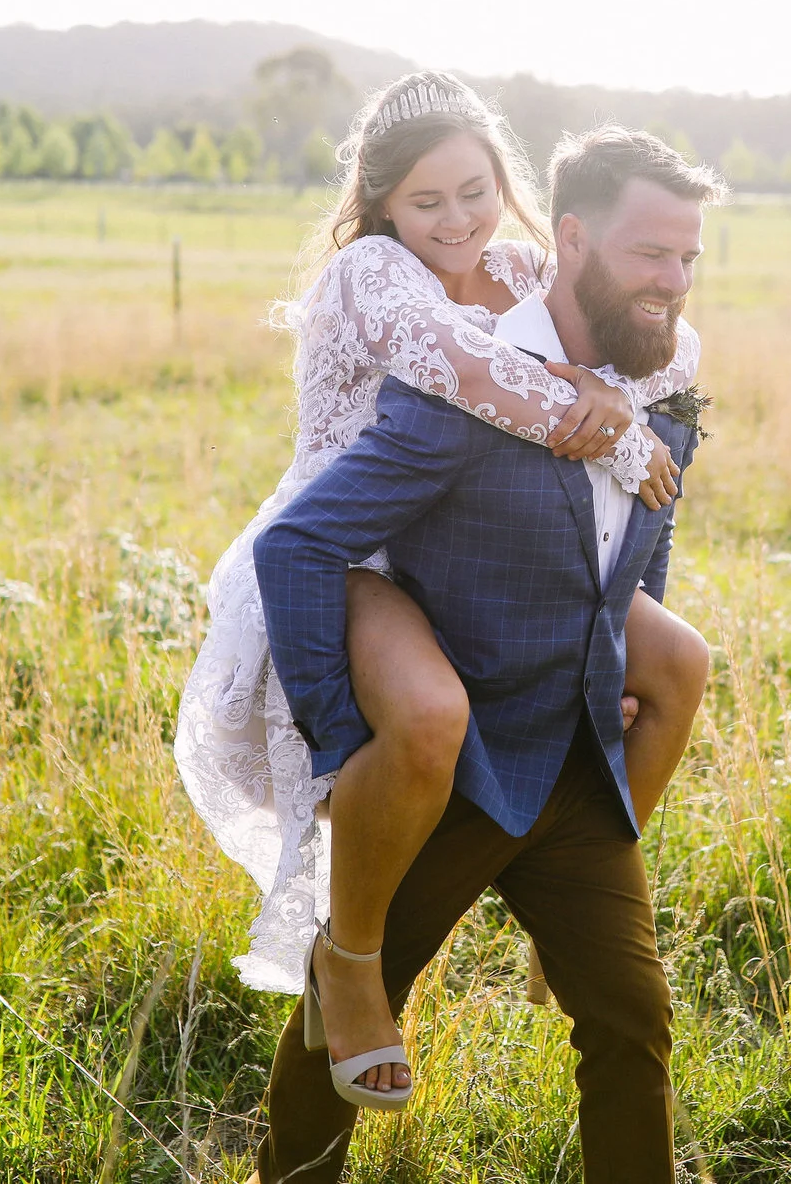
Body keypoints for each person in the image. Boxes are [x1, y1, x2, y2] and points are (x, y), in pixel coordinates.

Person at [174, 76, 711, 1093]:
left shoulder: (515, 266)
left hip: (464, 541)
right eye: (427, 201)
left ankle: (580, 898)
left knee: (679, 659)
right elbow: (468, 372)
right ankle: (352, 956)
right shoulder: (371, 272)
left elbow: (649, 351)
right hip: (353, 550)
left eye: (475, 191)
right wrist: (600, 415)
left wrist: (611, 388)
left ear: (504, 181)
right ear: (382, 205)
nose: (457, 219)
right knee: (429, 712)